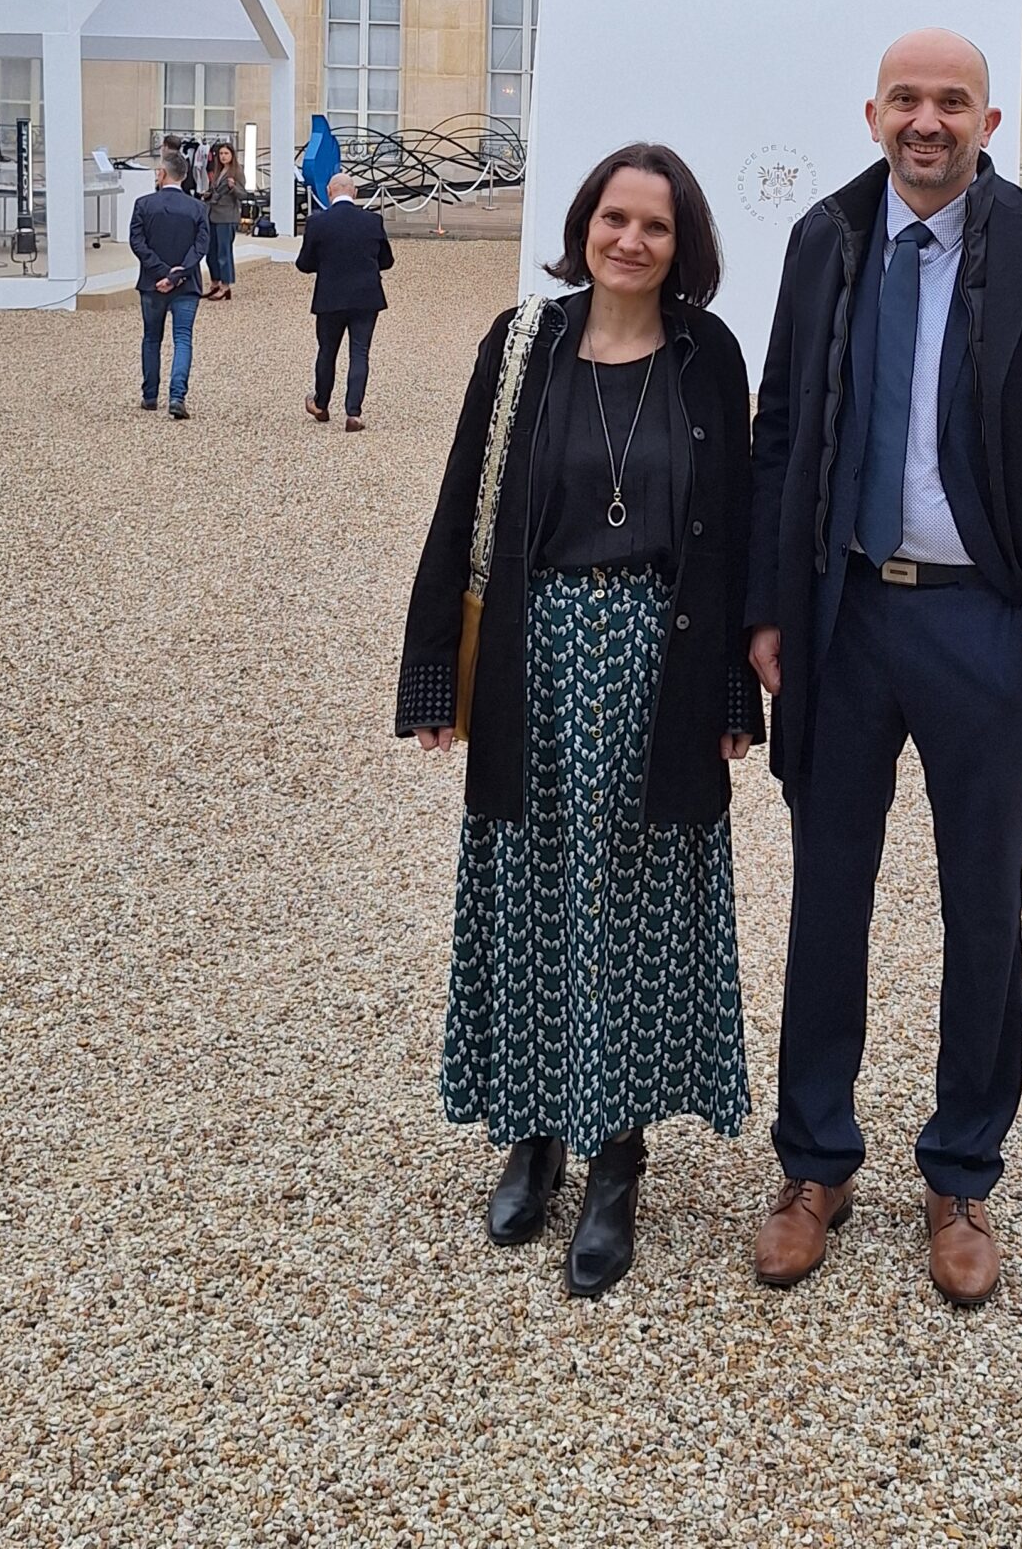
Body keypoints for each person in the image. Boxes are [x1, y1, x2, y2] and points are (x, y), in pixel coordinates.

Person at [746, 31, 1022, 1308]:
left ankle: (963, 1169)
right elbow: (782, 432)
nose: (928, 121)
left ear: (989, 116)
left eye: (950, 101)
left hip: (985, 625)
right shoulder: (826, 238)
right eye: (907, 100)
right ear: (873, 114)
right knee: (826, 902)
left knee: (985, 908)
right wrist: (771, 611)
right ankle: (816, 1162)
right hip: (845, 620)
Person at [396, 143, 758, 1300]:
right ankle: (534, 1127)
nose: (631, 241)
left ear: (681, 241)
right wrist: (432, 683)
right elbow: (463, 504)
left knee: (638, 907)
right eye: (615, 217)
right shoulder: (519, 347)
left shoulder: (709, 358)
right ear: (584, 223)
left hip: (661, 662)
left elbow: (735, 536)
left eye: (656, 225)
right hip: (531, 660)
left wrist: (733, 697)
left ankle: (616, 1155)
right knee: (534, 894)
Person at [296, 171, 394, 430]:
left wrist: (325, 264)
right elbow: (387, 260)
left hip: (330, 296)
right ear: (354, 192)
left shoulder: (318, 223)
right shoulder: (373, 221)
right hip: (366, 296)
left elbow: (304, 263)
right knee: (359, 353)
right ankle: (353, 412)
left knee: (327, 351)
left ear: (329, 192)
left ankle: (321, 403)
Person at [128, 152, 209, 420]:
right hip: (185, 284)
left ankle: (150, 395)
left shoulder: (143, 204)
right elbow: (201, 247)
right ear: (184, 176)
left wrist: (161, 272)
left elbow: (138, 243)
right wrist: (177, 274)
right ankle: (177, 396)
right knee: (182, 338)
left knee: (152, 338)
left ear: (163, 173)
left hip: (152, 283)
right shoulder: (197, 208)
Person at [203, 140, 243, 298]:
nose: (223, 156)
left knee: (223, 252)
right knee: (210, 251)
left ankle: (225, 285)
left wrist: (234, 187)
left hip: (227, 216)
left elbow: (243, 194)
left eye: (226, 153)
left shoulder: (237, 172)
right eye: (221, 154)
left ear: (232, 155)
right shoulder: (217, 171)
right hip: (213, 214)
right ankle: (215, 281)